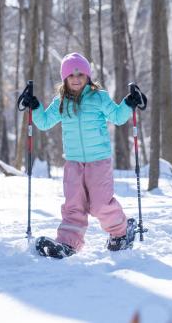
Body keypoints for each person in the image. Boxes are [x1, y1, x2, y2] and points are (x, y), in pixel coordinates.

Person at [21, 52, 147, 257]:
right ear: (65, 79)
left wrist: (128, 103)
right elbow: (44, 123)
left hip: (99, 161)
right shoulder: (61, 102)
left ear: (88, 76)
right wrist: (34, 106)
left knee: (100, 205)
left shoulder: (99, 97)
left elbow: (117, 117)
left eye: (80, 75)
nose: (76, 79)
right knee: (73, 205)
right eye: (71, 75)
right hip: (73, 162)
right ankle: (68, 243)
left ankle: (121, 233)